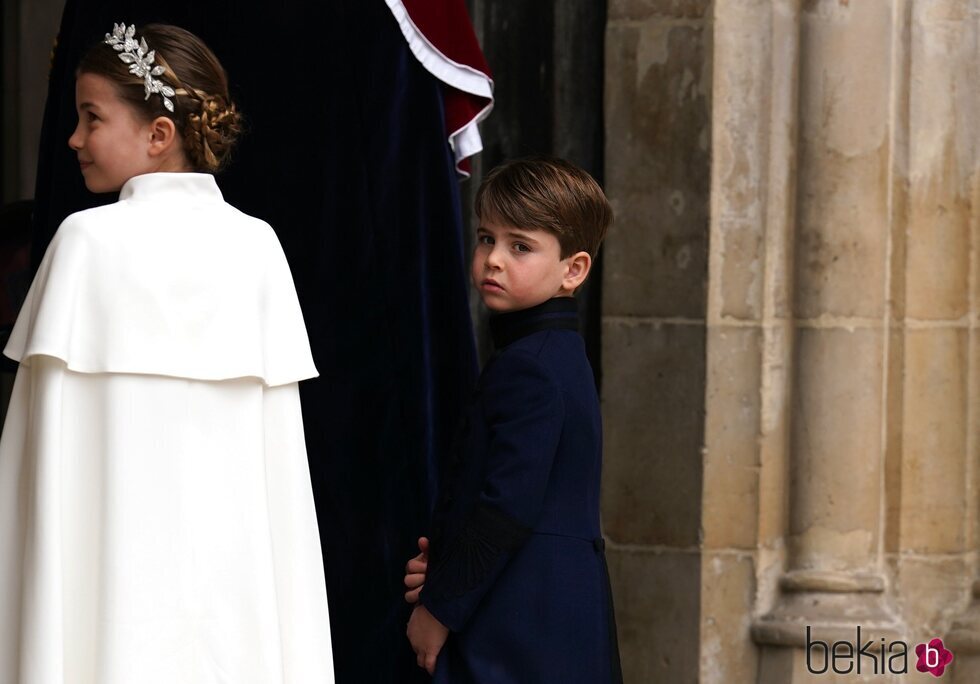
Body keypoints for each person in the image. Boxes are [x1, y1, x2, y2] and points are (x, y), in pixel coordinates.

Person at [0, 23, 333, 683]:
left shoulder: (85, 243)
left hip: (103, 606)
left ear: (159, 134)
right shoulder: (257, 246)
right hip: (235, 619)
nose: (72, 139)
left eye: (90, 118)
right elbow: (283, 504)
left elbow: (31, 474)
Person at [403, 157, 622, 682]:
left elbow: (507, 510)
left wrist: (438, 610)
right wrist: (446, 565)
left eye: (519, 246)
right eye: (485, 239)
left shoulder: (534, 367)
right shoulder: (549, 353)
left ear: (574, 269)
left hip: (521, 626)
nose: (493, 259)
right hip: (539, 611)